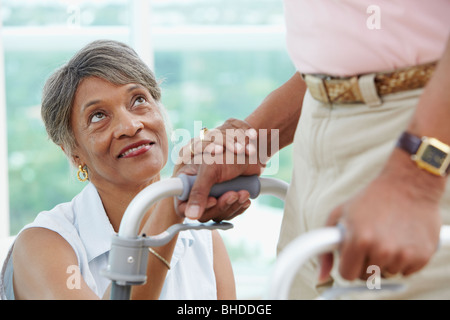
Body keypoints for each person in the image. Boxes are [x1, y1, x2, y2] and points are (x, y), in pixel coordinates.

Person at [175, 0, 450, 299]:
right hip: (314, 136)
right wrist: (251, 143)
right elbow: (339, 60)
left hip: (419, 139)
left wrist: (416, 181)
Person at [0, 40, 238, 300]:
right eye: (98, 116)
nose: (131, 125)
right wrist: (171, 204)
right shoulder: (43, 244)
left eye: (138, 100)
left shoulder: (203, 238)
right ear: (73, 151)